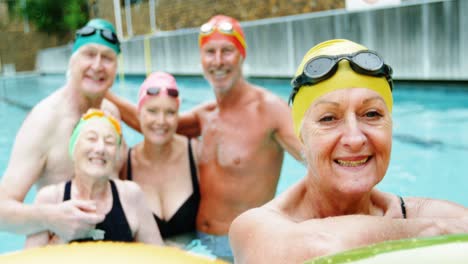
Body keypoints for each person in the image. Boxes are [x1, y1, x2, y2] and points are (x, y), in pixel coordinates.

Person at [229, 39, 468, 263]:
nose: (354, 138)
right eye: (329, 118)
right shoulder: (255, 226)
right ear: (302, 136)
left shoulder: (421, 213)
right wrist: (435, 231)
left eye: (372, 114)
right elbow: (321, 248)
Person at [105, 15, 303, 259]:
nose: (218, 61)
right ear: (201, 59)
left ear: (242, 54)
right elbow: (153, 124)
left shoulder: (270, 111)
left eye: (227, 51)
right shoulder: (205, 116)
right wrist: (102, 91)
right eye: (210, 52)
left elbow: (316, 158)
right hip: (198, 244)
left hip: (244, 247)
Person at [0, 18, 124, 241]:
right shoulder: (44, 121)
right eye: (89, 54)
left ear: (116, 68)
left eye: (107, 58)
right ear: (72, 61)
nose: (97, 66)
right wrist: (50, 217)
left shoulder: (112, 116)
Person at [25, 109, 163, 247]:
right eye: (91, 139)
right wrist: (62, 238)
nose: (100, 148)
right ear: (73, 147)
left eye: (109, 142)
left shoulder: (131, 196)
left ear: (116, 155)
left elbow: (159, 257)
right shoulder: (51, 199)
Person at [120, 72, 200, 244]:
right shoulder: (124, 164)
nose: (161, 121)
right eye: (152, 111)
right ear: (139, 113)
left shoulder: (195, 154)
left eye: (170, 112)